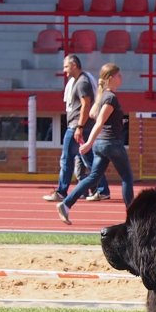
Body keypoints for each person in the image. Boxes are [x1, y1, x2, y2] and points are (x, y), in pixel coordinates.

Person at [56, 63, 134, 224]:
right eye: (119, 76)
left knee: (93, 177)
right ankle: (133, 217)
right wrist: (89, 143)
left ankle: (66, 204)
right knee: (126, 177)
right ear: (111, 78)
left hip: (103, 145)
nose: (121, 78)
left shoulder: (103, 95)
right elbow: (98, 122)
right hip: (111, 143)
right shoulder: (110, 97)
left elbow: (92, 113)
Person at [43, 55, 110, 203]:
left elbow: (86, 104)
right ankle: (102, 189)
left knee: (67, 159)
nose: (64, 70)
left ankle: (61, 191)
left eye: (66, 66)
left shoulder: (82, 82)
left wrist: (79, 127)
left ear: (74, 65)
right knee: (90, 160)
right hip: (79, 126)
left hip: (77, 127)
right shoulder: (79, 80)